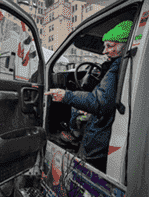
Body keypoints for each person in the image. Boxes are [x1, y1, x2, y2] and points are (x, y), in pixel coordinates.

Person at [44, 20, 133, 173]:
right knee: (80, 107)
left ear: (124, 45)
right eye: (105, 46)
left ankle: (75, 137)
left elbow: (99, 102)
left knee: (83, 170)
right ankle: (75, 134)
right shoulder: (117, 65)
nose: (104, 51)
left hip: (99, 141)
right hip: (109, 122)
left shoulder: (117, 67)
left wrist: (67, 95)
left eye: (109, 46)